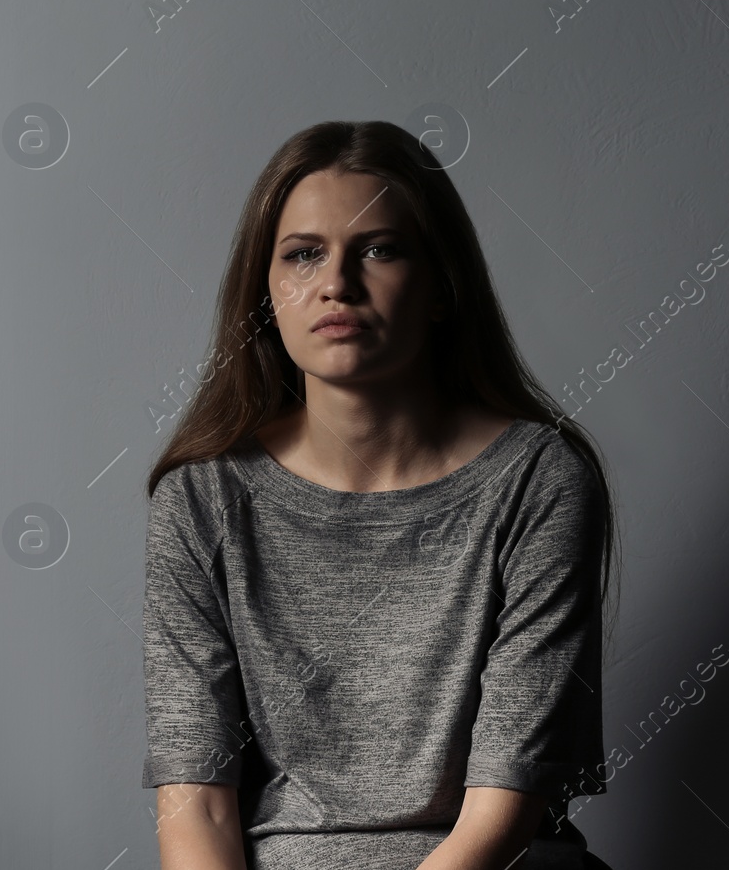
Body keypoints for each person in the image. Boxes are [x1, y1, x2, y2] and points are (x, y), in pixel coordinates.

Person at [140, 120, 620, 870]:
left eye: (379, 249)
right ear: (266, 294)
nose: (336, 283)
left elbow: (503, 809)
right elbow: (195, 803)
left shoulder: (540, 480)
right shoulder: (201, 499)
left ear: (439, 287)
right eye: (303, 254)